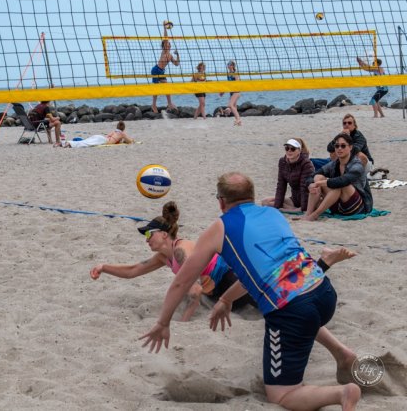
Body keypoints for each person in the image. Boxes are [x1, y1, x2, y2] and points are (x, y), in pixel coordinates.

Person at [140, 172, 361, 411]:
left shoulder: (220, 227)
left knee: (281, 395)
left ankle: (342, 393)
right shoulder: (273, 214)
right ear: (252, 196)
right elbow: (260, 273)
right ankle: (343, 354)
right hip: (323, 291)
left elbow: (181, 282)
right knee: (301, 314)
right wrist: (226, 299)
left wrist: (163, 322)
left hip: (292, 310)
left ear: (221, 202)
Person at [90, 201, 255, 321]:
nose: (146, 239)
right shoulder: (163, 257)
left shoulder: (180, 251)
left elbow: (196, 291)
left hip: (232, 280)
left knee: (265, 302)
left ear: (163, 234)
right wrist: (103, 267)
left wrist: (183, 322)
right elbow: (133, 271)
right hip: (218, 294)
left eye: (149, 234)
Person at [303, 133, 373, 221]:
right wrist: (311, 184)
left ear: (350, 147)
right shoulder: (334, 164)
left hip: (357, 206)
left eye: (343, 146)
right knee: (318, 177)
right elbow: (311, 176)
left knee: (340, 184)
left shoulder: (357, 165)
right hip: (338, 205)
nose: (339, 148)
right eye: (337, 146)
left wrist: (319, 183)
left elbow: (344, 180)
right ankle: (308, 213)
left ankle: (315, 214)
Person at [261, 138, 314, 212]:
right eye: (287, 148)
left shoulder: (306, 164)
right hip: (294, 199)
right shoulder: (282, 161)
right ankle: (292, 209)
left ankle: (293, 209)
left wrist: (303, 208)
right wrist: (277, 207)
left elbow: (304, 188)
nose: (289, 151)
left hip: (308, 199)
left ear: (299, 150)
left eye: (293, 149)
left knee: (272, 204)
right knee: (265, 202)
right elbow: (281, 185)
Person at [151, 20, 180, 113]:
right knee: (156, 89)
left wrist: (178, 55)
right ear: (164, 46)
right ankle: (154, 105)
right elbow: (165, 37)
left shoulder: (170, 55)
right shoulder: (164, 51)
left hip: (161, 71)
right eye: (167, 44)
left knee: (167, 87)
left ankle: (169, 104)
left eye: (169, 44)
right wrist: (164, 27)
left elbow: (177, 64)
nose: (168, 45)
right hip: (156, 70)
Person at [64, 120, 133, 148]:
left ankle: (67, 143)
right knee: (86, 143)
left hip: (101, 137)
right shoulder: (122, 133)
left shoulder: (114, 131)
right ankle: (69, 143)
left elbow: (109, 137)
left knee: (85, 141)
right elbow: (130, 141)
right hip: (103, 140)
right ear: (123, 128)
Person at [219, 60, 242, 126]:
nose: (228, 65)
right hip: (232, 93)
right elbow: (228, 84)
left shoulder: (235, 74)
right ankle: (239, 122)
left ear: (232, 66)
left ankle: (238, 119)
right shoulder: (228, 74)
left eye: (229, 64)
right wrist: (223, 92)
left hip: (236, 92)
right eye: (228, 64)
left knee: (230, 105)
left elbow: (237, 83)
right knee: (234, 107)